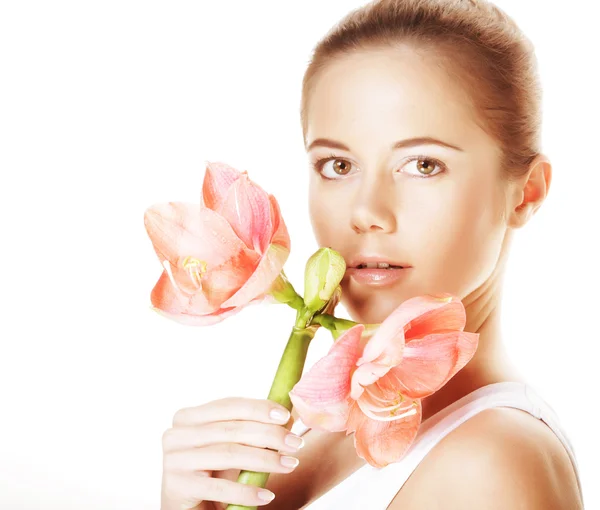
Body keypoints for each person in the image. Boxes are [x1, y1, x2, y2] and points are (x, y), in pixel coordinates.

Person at [160, 0, 584, 508]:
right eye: (338, 165)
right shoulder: (335, 428)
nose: (366, 212)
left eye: (423, 164)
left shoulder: (492, 463)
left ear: (526, 192)